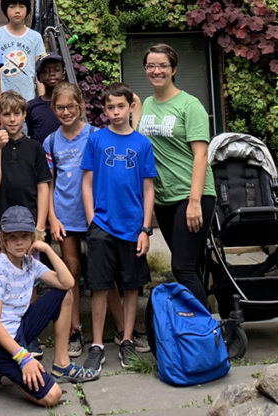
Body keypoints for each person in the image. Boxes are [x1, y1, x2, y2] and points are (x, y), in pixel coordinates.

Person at [0, 206, 96, 403]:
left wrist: (47, 248)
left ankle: (61, 364)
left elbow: (68, 283)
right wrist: (24, 358)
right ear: (2, 238)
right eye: (12, 237)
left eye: (25, 236)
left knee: (64, 294)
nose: (19, 242)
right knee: (52, 396)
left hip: (18, 330)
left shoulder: (29, 262)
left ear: (33, 237)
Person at [81, 83, 156, 375]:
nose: (115, 112)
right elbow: (86, 183)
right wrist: (92, 221)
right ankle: (97, 344)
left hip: (133, 227)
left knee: (131, 286)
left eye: (120, 106)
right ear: (104, 110)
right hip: (102, 226)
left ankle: (126, 339)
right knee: (99, 286)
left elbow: (148, 188)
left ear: (130, 108)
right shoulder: (96, 140)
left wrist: (145, 229)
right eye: (110, 107)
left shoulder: (142, 144)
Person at [136, 43, 216, 307]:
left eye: (162, 66)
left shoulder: (190, 105)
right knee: (194, 263)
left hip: (192, 195)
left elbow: (201, 156)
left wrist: (194, 202)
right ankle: (217, 318)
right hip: (164, 198)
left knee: (182, 267)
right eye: (151, 66)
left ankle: (205, 336)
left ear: (173, 69)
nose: (156, 71)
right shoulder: (146, 103)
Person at [43, 84, 93, 358]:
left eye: (71, 106)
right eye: (60, 107)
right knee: (70, 270)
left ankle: (120, 330)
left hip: (95, 215)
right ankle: (75, 329)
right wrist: (52, 217)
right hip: (65, 215)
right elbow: (48, 184)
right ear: (53, 109)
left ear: (81, 106)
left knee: (101, 272)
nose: (66, 112)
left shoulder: (95, 136)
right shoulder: (50, 142)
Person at [0, 90, 50, 250]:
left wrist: (39, 227)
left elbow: (43, 188)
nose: (12, 119)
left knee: (30, 272)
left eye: (17, 113)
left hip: (28, 226)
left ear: (24, 114)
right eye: (6, 114)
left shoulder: (35, 148)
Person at [0, 0, 45, 102]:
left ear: (27, 9)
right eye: (12, 7)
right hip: (2, 100)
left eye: (22, 6)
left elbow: (40, 71)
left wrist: (42, 101)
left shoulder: (35, 37)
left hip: (28, 99)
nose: (17, 11)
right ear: (5, 9)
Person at [25, 54, 64, 143]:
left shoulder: (70, 104)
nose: (52, 73)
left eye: (56, 70)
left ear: (63, 74)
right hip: (41, 155)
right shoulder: (31, 106)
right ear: (39, 78)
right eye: (45, 71)